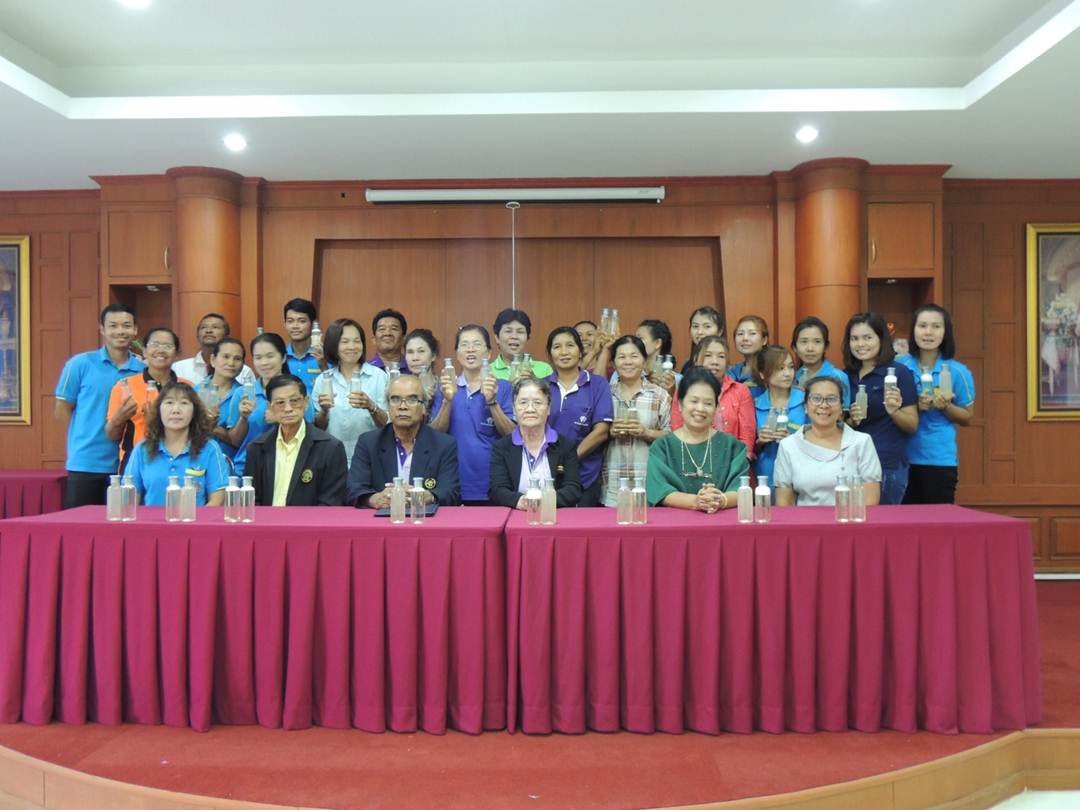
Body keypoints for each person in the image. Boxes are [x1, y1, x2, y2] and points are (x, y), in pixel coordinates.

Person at [55, 304, 146, 507]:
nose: (120, 331)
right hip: (87, 463)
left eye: (126, 326)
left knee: (124, 521)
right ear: (102, 329)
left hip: (128, 464)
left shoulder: (143, 370)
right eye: (113, 326)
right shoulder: (80, 364)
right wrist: (82, 434)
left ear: (135, 330)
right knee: (81, 522)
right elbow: (62, 409)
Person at [896, 304, 976, 504]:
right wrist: (915, 406)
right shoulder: (899, 366)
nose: (928, 332)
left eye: (936, 326)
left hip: (938, 460)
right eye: (922, 326)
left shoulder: (957, 371)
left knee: (937, 520)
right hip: (900, 458)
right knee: (901, 521)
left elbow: (967, 417)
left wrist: (946, 407)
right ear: (913, 330)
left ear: (945, 332)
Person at [430, 324, 515, 504]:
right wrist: (447, 400)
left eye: (477, 344)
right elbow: (435, 435)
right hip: (452, 482)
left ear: (489, 353)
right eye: (464, 345)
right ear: (457, 353)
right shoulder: (444, 387)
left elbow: (512, 435)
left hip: (494, 484)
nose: (470, 349)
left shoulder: (504, 387)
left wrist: (492, 401)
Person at [347, 374, 460, 507]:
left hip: (423, 516)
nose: (402, 406)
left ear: (424, 407)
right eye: (395, 399)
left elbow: (451, 492)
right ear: (388, 406)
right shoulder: (369, 442)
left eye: (412, 400)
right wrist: (374, 499)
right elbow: (353, 489)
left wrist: (429, 496)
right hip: (381, 517)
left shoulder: (443, 444)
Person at [646, 368, 749, 511]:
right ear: (680, 404)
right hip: (674, 523)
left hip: (721, 522)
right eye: (694, 401)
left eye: (708, 403)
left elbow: (742, 489)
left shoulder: (733, 446)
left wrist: (720, 500)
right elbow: (658, 490)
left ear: (716, 407)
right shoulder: (662, 446)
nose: (700, 408)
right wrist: (696, 501)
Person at [843, 312, 919, 505]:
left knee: (881, 521)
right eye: (854, 338)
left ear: (881, 339)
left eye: (867, 338)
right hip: (850, 463)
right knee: (850, 518)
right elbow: (839, 425)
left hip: (886, 463)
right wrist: (851, 421)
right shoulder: (845, 375)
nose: (861, 344)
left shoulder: (899, 373)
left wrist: (894, 411)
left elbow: (912, 424)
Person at [774, 376, 882, 506]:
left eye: (832, 399)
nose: (824, 405)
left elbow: (870, 501)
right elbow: (784, 502)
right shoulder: (789, 445)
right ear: (805, 406)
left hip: (850, 517)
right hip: (805, 518)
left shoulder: (862, 442)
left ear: (841, 407)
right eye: (816, 398)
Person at [243, 374, 348, 506]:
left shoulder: (330, 448)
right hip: (267, 519)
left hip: (312, 520)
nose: (288, 409)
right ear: (270, 406)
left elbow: (330, 502)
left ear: (306, 402)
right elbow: (252, 500)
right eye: (280, 403)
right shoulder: (257, 448)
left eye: (294, 401)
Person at [126, 381, 229, 506]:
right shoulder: (142, 449)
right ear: (158, 410)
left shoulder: (209, 448)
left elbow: (218, 499)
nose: (176, 410)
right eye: (169, 402)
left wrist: (197, 519)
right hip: (151, 519)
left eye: (184, 403)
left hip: (195, 518)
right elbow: (129, 500)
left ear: (194, 411)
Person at [226, 333, 317, 473]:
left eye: (270, 356)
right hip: (248, 467)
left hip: (290, 467)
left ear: (283, 357)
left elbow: (309, 431)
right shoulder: (242, 393)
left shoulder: (298, 391)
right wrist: (243, 419)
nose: (264, 363)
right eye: (258, 357)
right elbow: (235, 441)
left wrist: (280, 419)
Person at [545, 326, 614, 506]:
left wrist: (568, 461)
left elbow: (601, 432)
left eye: (570, 345)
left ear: (580, 351)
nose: (564, 352)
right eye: (557, 347)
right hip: (546, 474)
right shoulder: (541, 387)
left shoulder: (598, 385)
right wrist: (552, 465)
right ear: (550, 354)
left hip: (586, 476)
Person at [489, 377, 583, 508]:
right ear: (514, 409)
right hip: (517, 514)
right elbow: (497, 490)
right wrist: (520, 501)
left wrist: (543, 501)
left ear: (548, 408)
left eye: (537, 403)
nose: (530, 409)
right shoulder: (501, 447)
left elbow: (573, 489)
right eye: (523, 402)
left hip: (553, 514)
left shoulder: (565, 446)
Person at [601, 335, 671, 507]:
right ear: (613, 363)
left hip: (649, 481)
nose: (628, 362)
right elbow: (591, 433)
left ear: (644, 360)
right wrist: (608, 432)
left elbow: (672, 437)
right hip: (611, 484)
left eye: (634, 356)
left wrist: (646, 432)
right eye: (622, 357)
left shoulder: (659, 395)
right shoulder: (604, 394)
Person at [106, 327, 187, 472]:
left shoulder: (188, 388)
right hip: (136, 464)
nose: (160, 350)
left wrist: (154, 421)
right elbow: (112, 435)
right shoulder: (124, 386)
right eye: (155, 345)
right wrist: (118, 419)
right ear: (144, 351)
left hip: (179, 463)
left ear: (176, 354)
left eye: (167, 346)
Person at [314, 318, 389, 461]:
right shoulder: (323, 380)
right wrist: (324, 411)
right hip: (332, 459)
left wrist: (371, 406)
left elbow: (389, 424)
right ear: (333, 345)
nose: (352, 347)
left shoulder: (379, 377)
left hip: (371, 458)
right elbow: (318, 428)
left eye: (357, 341)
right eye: (345, 341)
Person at [670, 335, 755, 460]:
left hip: (732, 462)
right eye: (708, 355)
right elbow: (677, 429)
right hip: (691, 460)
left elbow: (746, 437)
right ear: (696, 359)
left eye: (721, 356)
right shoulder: (684, 389)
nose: (715, 361)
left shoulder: (741, 391)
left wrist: (737, 464)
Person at [752, 345, 806, 490]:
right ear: (762, 374)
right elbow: (747, 450)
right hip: (766, 475)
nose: (788, 373)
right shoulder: (755, 405)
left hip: (801, 475)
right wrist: (760, 442)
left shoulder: (805, 401)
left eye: (790, 367)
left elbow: (820, 440)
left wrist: (793, 439)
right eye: (780, 368)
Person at [194, 336, 248, 466]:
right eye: (226, 357)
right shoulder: (196, 391)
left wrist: (212, 428)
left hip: (230, 464)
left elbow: (239, 441)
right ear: (213, 360)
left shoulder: (244, 395)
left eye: (237, 359)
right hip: (197, 461)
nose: (231, 363)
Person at [172, 312, 255, 387]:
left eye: (215, 327)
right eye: (203, 327)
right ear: (197, 335)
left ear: (227, 336)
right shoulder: (178, 367)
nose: (208, 331)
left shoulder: (243, 371)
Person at [791, 316, 851, 408]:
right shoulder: (791, 377)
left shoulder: (838, 377)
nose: (810, 348)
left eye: (817, 342)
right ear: (794, 347)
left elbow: (843, 413)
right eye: (804, 342)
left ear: (826, 347)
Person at [491, 308, 554, 380]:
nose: (514, 336)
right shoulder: (488, 371)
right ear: (497, 338)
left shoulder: (545, 369)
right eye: (508, 331)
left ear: (527, 338)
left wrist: (534, 381)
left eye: (520, 332)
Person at [283, 298, 324, 392]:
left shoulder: (324, 356)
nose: (295, 326)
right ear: (284, 324)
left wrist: (324, 366)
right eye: (290, 321)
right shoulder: (281, 357)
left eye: (302, 321)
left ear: (313, 324)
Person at [636, 319, 678, 393]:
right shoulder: (628, 373)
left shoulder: (677, 380)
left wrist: (671, 391)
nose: (634, 343)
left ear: (657, 343)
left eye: (640, 339)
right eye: (635, 339)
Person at [681, 306, 725, 376]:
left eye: (707, 326)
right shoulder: (687, 365)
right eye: (695, 326)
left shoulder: (722, 364)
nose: (699, 332)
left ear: (720, 331)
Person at [729, 315, 769, 386]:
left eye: (752, 333)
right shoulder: (732, 371)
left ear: (764, 340)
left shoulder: (770, 369)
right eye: (740, 334)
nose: (745, 338)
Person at [404, 328, 440, 401]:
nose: (415, 358)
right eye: (410, 352)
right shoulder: (400, 389)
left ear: (433, 356)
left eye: (421, 351)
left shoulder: (444, 388)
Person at [369, 308, 410, 373]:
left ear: (404, 338)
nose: (387, 333)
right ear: (374, 339)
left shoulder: (413, 368)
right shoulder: (365, 370)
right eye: (382, 329)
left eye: (394, 329)